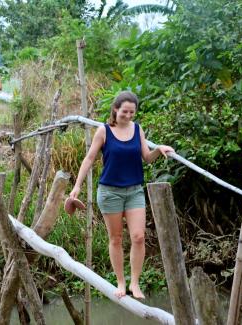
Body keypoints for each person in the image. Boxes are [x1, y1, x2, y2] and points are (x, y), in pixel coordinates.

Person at [68, 91, 175, 299]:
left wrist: (159, 149)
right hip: (109, 192)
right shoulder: (104, 131)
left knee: (138, 237)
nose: (128, 115)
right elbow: (89, 159)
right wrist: (77, 186)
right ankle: (120, 282)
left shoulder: (138, 129)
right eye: (124, 111)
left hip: (134, 190)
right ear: (115, 109)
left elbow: (147, 157)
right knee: (116, 238)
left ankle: (135, 283)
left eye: (132, 112)